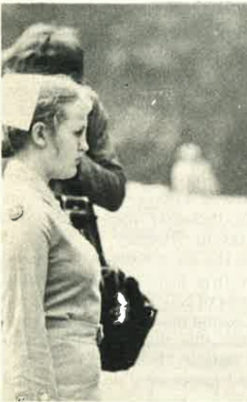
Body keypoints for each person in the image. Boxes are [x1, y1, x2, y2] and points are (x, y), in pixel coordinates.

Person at [2, 74, 100, 401]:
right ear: (41, 133)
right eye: (77, 132)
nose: (84, 145)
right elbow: (22, 330)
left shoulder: (42, 202)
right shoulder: (24, 210)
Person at [2, 23, 127, 261]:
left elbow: (114, 191)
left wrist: (69, 149)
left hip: (70, 236)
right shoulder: (10, 100)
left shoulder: (84, 108)